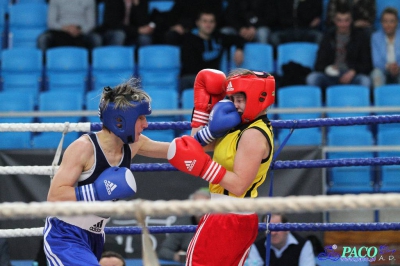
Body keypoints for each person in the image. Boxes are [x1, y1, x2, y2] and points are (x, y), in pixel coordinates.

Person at [43, 79, 170, 265]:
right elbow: (54, 196)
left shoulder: (134, 144)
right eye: (141, 118)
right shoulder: (83, 148)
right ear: (121, 120)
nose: (146, 125)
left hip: (95, 235)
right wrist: (97, 190)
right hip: (65, 235)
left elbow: (177, 150)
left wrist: (209, 131)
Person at [167, 68, 275, 265]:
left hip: (229, 216)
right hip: (228, 214)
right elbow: (195, 145)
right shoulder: (240, 126)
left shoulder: (253, 135)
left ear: (258, 96)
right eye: (232, 99)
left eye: (240, 99)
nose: (235, 105)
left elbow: (239, 185)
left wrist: (204, 167)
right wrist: (201, 109)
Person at [305, 3, 372, 96]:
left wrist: (353, 71)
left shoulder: (360, 37)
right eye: (340, 20)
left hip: (352, 75)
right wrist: (328, 69)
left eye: (346, 20)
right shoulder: (328, 37)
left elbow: (367, 64)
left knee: (365, 81)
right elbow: (318, 65)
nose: (343, 24)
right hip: (331, 76)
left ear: (351, 20)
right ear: (335, 21)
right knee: (312, 78)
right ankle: (320, 109)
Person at [179, 10, 245, 93]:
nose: (208, 24)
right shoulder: (188, 40)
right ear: (198, 23)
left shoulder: (218, 38)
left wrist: (239, 49)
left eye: (211, 21)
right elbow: (190, 67)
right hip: (191, 78)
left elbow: (239, 38)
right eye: (205, 21)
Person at [157, 187, 211, 262]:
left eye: (204, 206)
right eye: (196, 206)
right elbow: (164, 251)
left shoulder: (222, 225)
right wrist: (179, 257)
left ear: (213, 206)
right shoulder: (183, 225)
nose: (200, 210)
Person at [247, 213, 316, 266]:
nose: (273, 233)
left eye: (277, 228)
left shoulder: (303, 244)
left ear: (287, 228)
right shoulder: (257, 246)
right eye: (268, 229)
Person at [37, 0, 102, 52]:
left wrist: (79, 30)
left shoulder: (90, 1)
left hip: (81, 32)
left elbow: (91, 23)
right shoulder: (54, 0)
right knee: (43, 39)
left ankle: (91, 66)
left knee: (96, 39)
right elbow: (51, 23)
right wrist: (66, 29)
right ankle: (44, 65)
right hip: (60, 31)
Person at [370, 7, 400, 88]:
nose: (388, 25)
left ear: (397, 22)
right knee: (376, 73)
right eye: (385, 21)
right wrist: (389, 67)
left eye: (391, 21)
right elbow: (376, 61)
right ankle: (381, 99)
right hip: (383, 69)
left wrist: (397, 67)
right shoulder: (375, 37)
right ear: (381, 22)